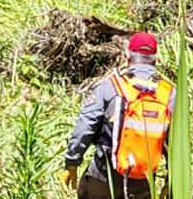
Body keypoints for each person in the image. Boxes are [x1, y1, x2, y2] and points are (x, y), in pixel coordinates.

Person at [61, 33, 175, 199]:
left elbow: (85, 126)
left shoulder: (110, 87)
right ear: (156, 58)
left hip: (103, 178)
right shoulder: (169, 95)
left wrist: (72, 164)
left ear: (128, 55)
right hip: (142, 183)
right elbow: (175, 144)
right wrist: (169, 180)